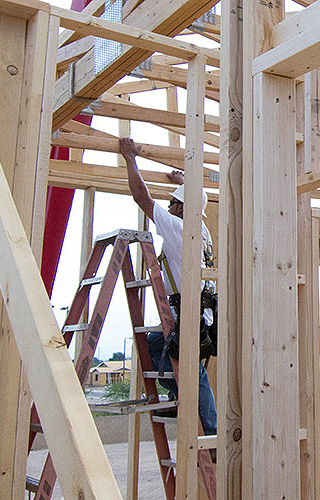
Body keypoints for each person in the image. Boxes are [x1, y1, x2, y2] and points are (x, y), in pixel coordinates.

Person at [119, 137, 217, 436]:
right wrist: (184, 181)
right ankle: (179, 399)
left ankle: (210, 428)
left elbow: (142, 200)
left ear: (182, 208)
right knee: (154, 346)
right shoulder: (199, 227)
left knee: (188, 365)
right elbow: (191, 199)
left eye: (173, 202)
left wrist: (130, 158)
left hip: (189, 311)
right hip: (200, 310)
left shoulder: (179, 228)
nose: (168, 206)